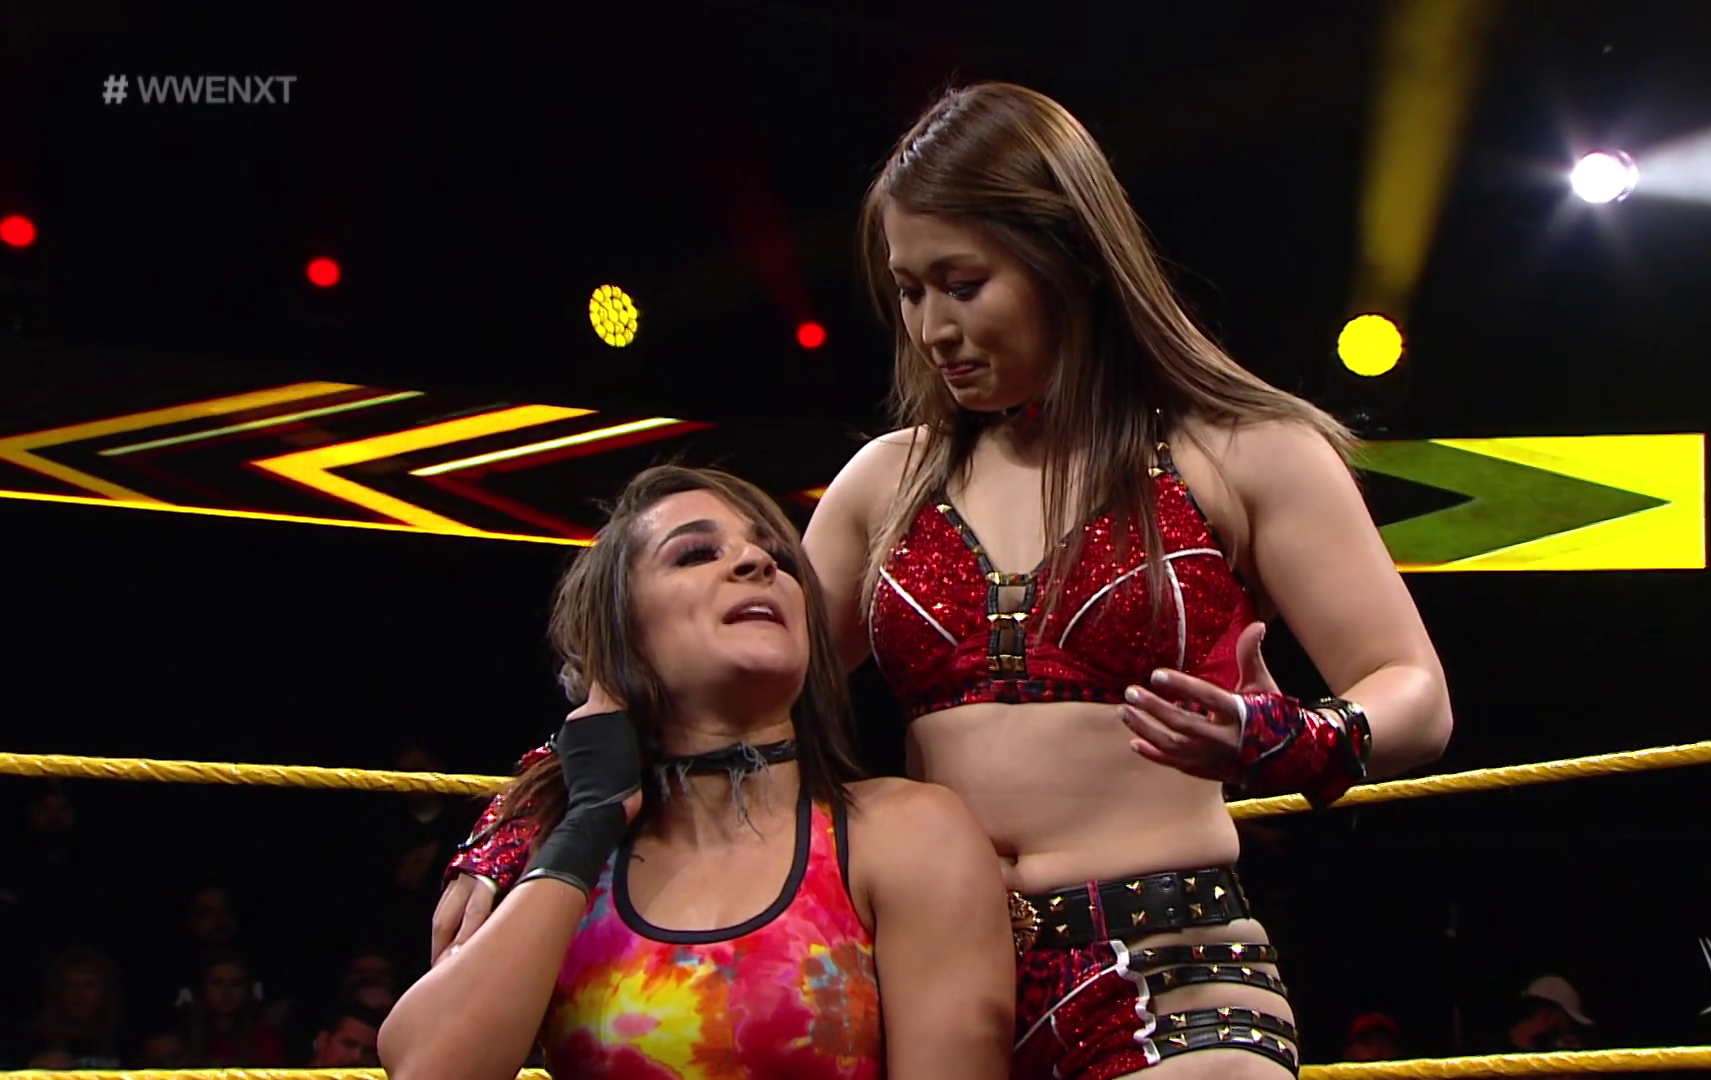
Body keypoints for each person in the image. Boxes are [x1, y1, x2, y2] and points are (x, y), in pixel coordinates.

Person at [437, 82, 1452, 1078]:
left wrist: (1293, 735)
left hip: (1169, 973)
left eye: (962, 285)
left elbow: (1414, 690)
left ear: (1071, 259)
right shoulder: (887, 482)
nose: (932, 329)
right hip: (928, 982)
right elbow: (683, 675)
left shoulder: (1242, 451)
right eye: (909, 291)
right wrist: (516, 828)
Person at [383, 466, 1013, 1080]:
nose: (757, 562)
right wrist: (591, 818)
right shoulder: (565, 858)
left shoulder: (905, 834)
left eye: (777, 557)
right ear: (621, 633)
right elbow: (428, 1068)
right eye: (695, 554)